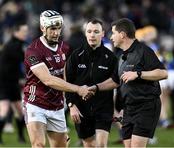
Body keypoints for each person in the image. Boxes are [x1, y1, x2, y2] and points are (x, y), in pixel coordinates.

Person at [88, 18, 168, 148]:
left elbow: (163, 73)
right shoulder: (122, 56)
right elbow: (114, 81)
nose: (111, 37)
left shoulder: (143, 51)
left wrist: (138, 74)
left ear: (122, 34)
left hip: (146, 106)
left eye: (113, 33)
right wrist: (95, 88)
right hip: (128, 109)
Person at [23, 10, 92, 148]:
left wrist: (71, 104)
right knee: (39, 144)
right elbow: (48, 80)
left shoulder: (65, 48)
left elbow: (67, 78)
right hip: (35, 102)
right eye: (52, 29)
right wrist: (78, 89)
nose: (56, 33)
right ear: (43, 28)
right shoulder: (33, 50)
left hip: (57, 106)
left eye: (59, 28)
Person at [65, 18, 117, 147]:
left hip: (103, 107)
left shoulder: (111, 58)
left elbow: (116, 82)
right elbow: (68, 83)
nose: (92, 35)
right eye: (89, 31)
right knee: (89, 144)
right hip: (81, 108)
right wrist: (72, 106)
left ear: (103, 34)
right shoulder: (76, 56)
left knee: (100, 145)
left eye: (96, 31)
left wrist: (119, 108)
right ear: (85, 33)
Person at [0, 21, 29, 144]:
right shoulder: (12, 46)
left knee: (20, 111)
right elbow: (23, 59)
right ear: (16, 32)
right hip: (3, 83)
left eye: (26, 32)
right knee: (4, 109)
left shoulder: (19, 44)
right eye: (23, 32)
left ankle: (21, 137)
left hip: (12, 83)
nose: (25, 34)